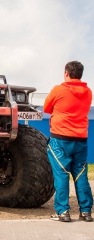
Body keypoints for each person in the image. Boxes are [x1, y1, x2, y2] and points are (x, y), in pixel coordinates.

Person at [44, 61, 93, 222]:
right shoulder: (88, 92)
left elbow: (46, 108)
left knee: (62, 174)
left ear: (66, 73)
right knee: (80, 174)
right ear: (81, 74)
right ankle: (86, 212)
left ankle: (63, 212)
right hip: (81, 140)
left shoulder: (59, 90)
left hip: (60, 139)